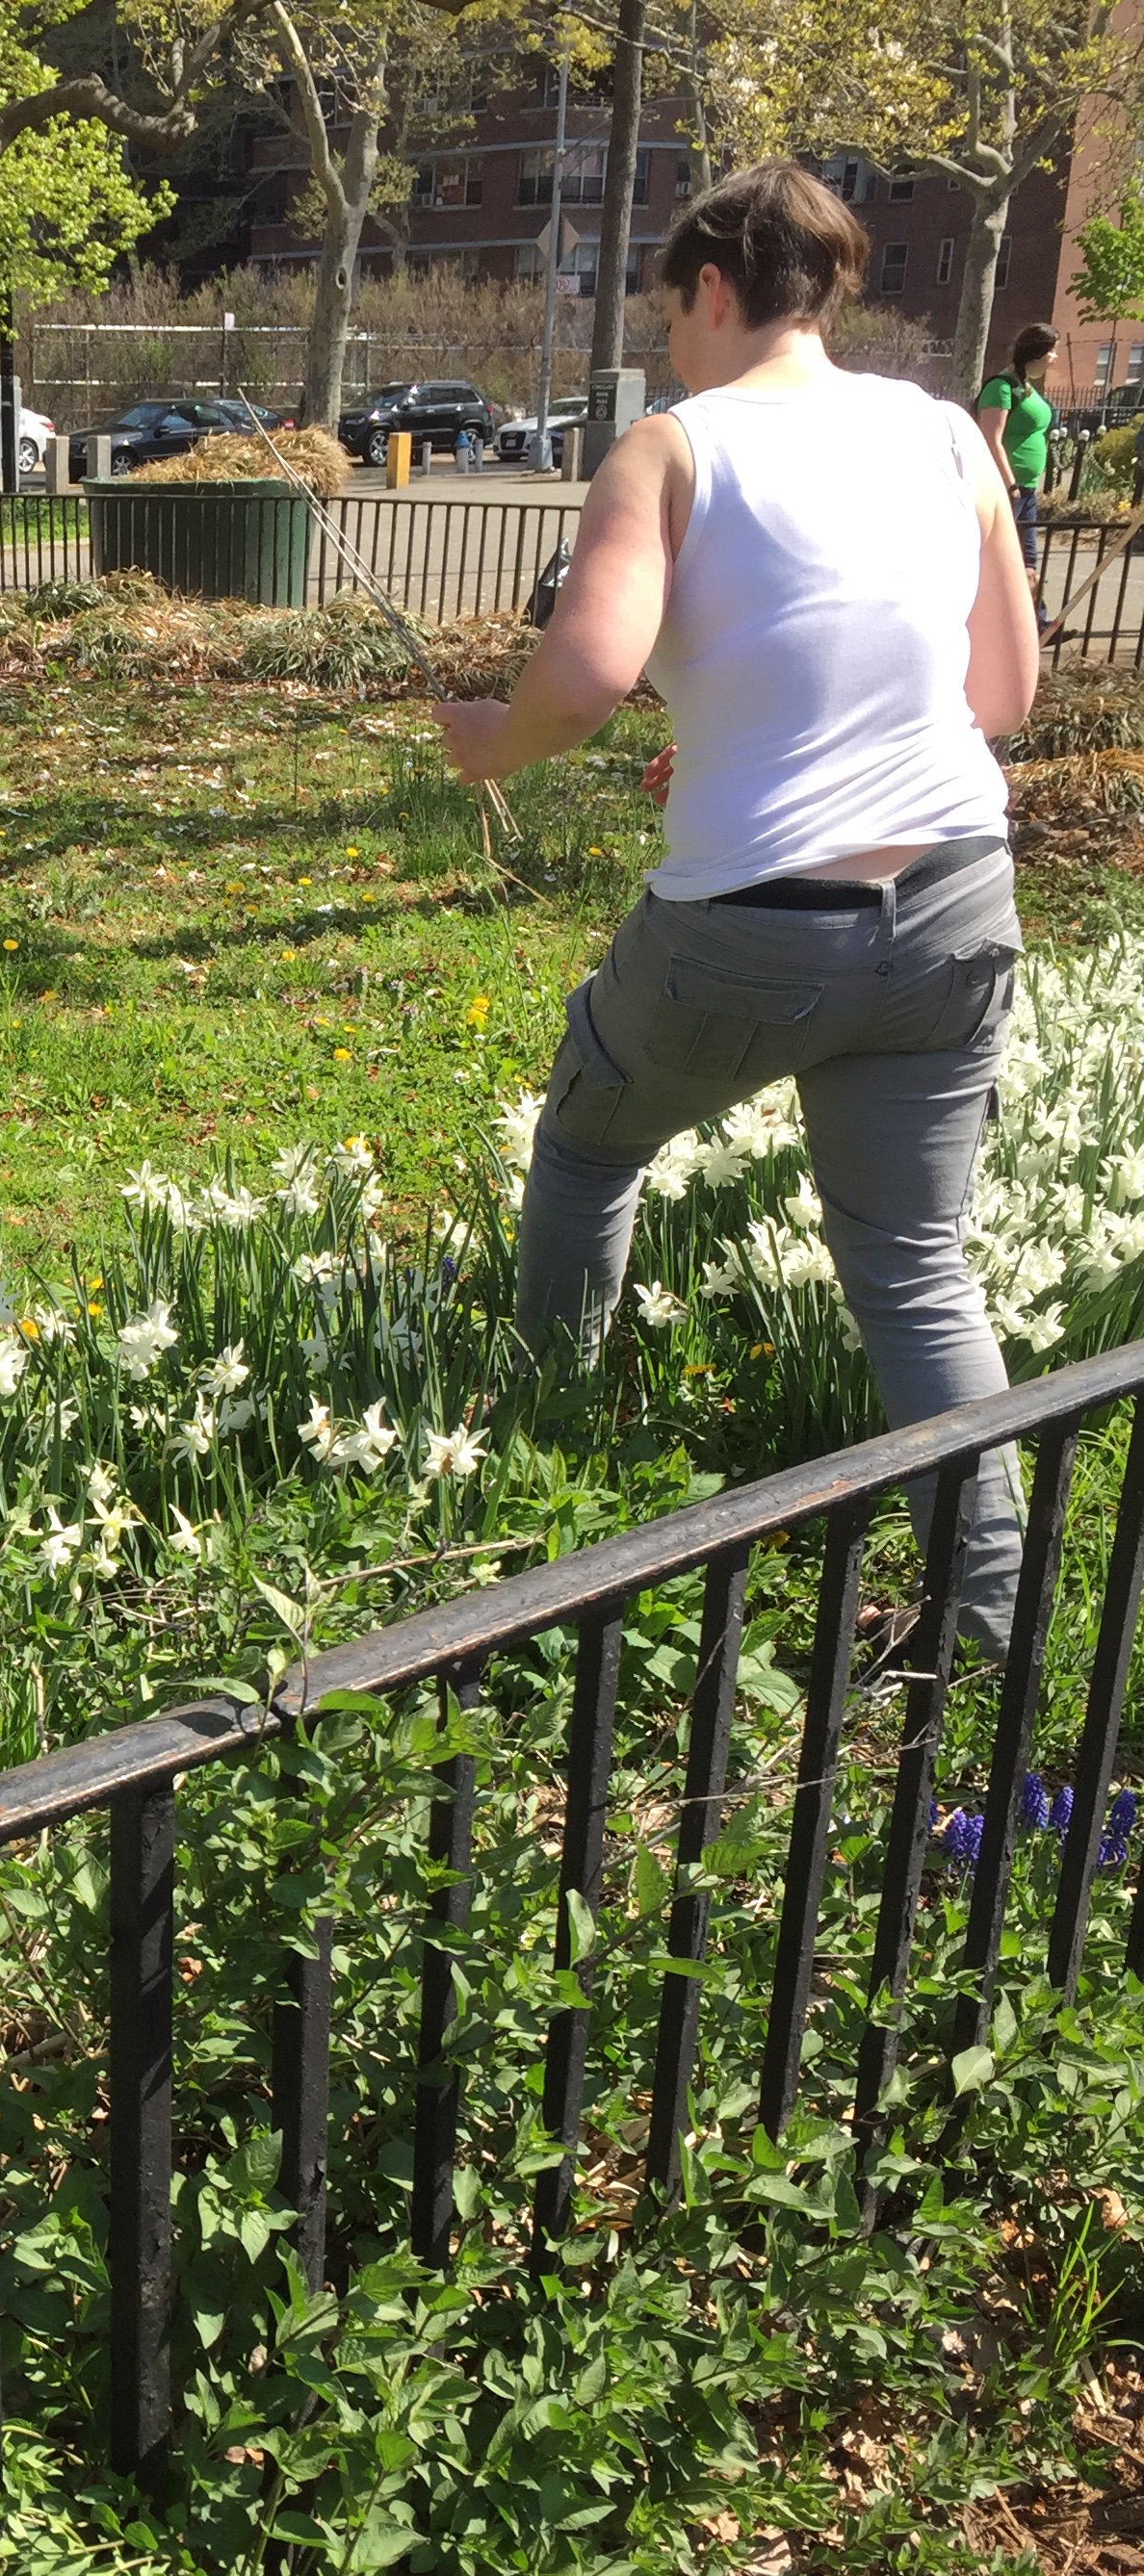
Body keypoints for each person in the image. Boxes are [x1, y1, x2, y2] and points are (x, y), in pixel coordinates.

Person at [434, 161, 1037, 1655]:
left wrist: (488, 742)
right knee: (912, 1267)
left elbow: (577, 679)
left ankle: (549, 1486)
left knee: (586, 1142)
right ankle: (990, 1632)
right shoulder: (948, 433)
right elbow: (1003, 697)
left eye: (669, 312)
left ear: (712, 291)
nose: (670, 343)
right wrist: (727, 729)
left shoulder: (672, 449)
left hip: (748, 932)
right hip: (960, 901)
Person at [976, 322, 1057, 604]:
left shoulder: (1028, 388)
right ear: (1036, 352)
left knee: (1028, 562)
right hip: (1009, 490)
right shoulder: (1001, 387)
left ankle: (1036, 623)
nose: (1054, 357)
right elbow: (991, 439)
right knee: (1004, 560)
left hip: (1027, 488)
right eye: (1051, 351)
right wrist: (1010, 485)